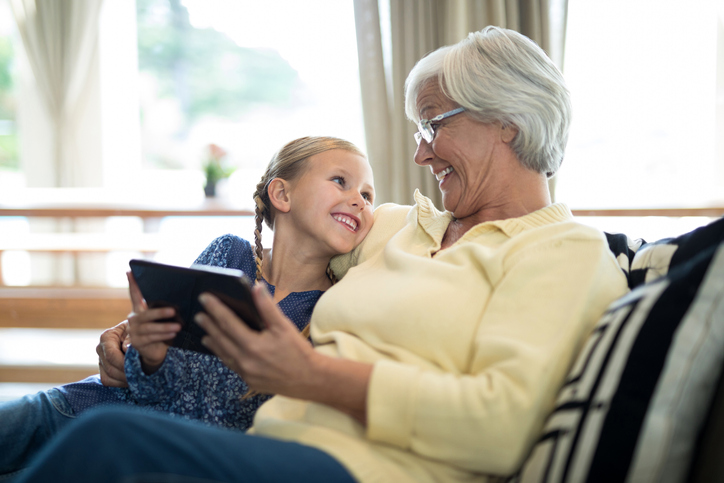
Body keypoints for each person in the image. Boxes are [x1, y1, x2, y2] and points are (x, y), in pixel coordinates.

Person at [15, 26, 629, 483]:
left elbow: (502, 426)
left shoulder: (564, 253)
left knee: (110, 443)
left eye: (434, 125)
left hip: (364, 470)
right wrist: (139, 333)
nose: (420, 154)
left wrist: (309, 376)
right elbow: (279, 265)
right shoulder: (391, 227)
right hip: (273, 441)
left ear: (507, 122)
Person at [0, 136, 375, 480]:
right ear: (281, 194)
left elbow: (236, 422)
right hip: (81, 407)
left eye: (368, 195)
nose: (359, 199)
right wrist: (149, 354)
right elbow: (155, 373)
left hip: (149, 456)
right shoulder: (229, 253)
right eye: (340, 181)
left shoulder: (331, 308)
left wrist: (154, 360)